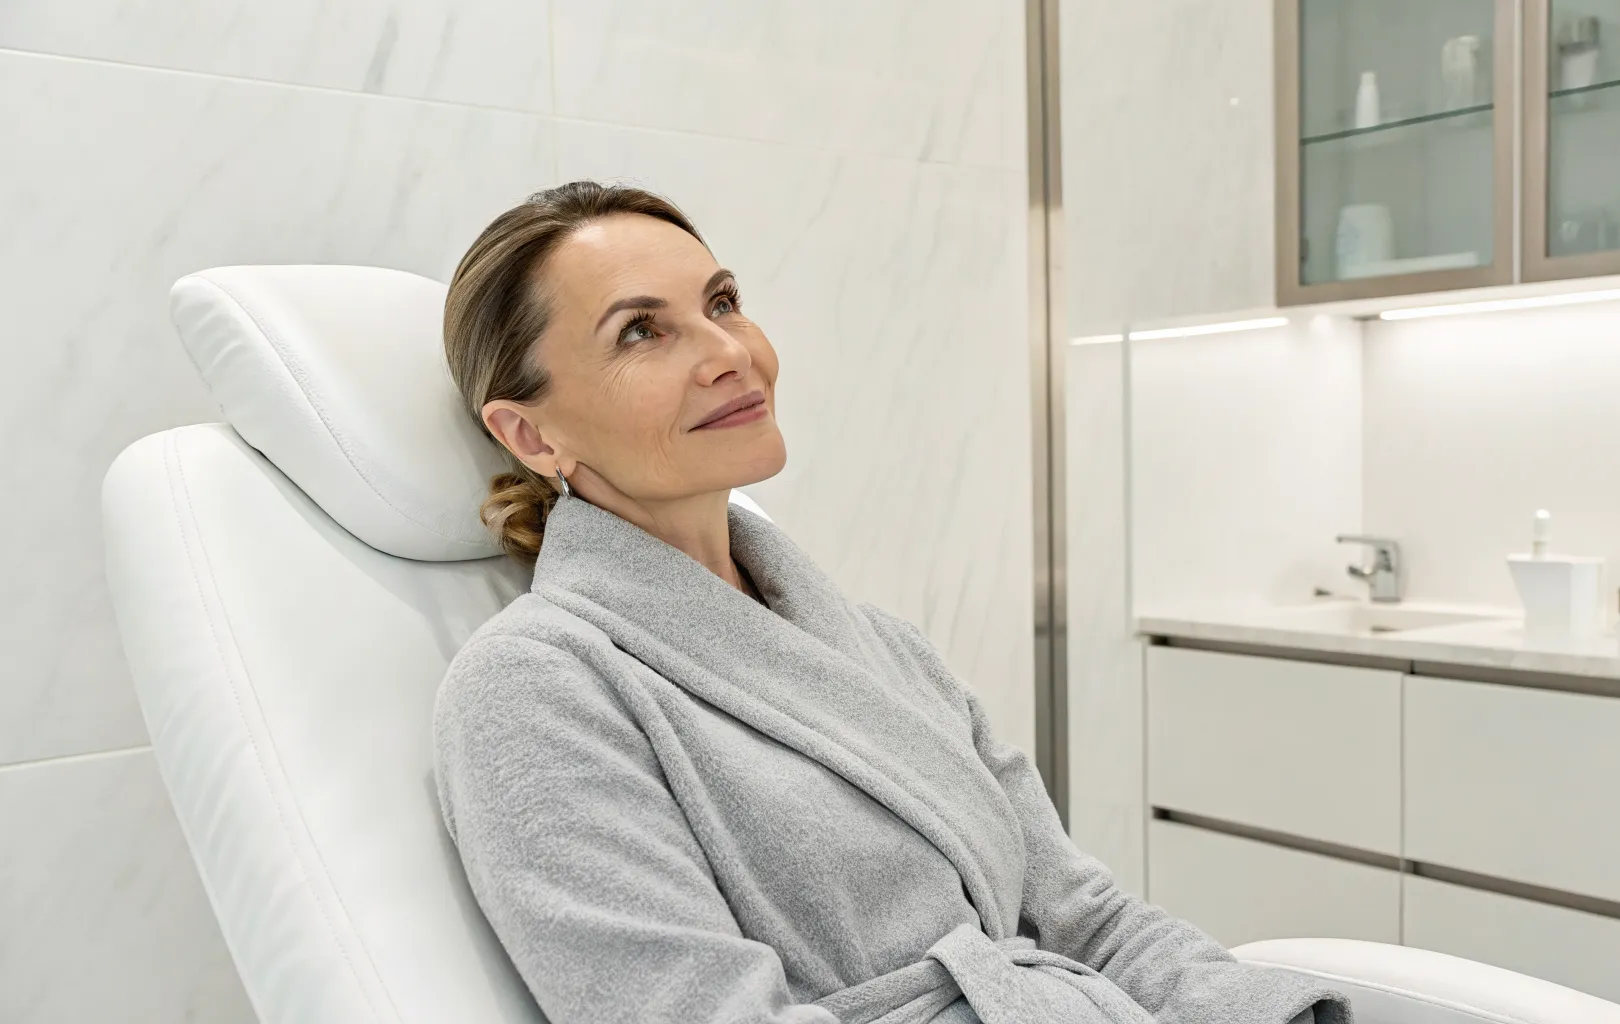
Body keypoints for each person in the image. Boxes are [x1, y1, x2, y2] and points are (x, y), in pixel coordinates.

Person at [430, 181, 1346, 1024]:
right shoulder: (535, 686)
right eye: (641, 331)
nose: (728, 353)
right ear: (529, 432)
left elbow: (1088, 922)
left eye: (722, 303)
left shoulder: (881, 648)